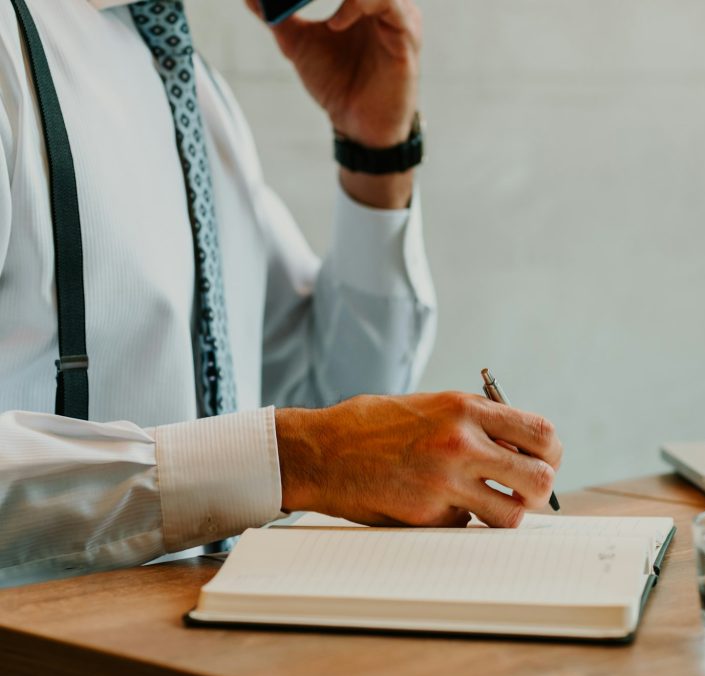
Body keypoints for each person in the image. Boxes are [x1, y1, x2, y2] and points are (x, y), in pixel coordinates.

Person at [0, 0, 561, 588]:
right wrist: (295, 460)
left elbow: (339, 407)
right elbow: (313, 449)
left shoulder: (185, 79)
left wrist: (376, 150)